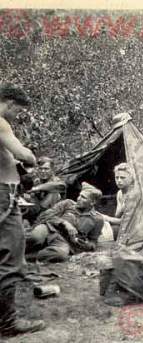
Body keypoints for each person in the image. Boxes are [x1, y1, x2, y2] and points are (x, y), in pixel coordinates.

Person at [0, 84, 46, 336]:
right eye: (18, 110)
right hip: (3, 194)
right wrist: (28, 155)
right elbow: (24, 155)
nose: (17, 115)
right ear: (8, 102)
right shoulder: (0, 122)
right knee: (11, 255)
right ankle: (8, 323)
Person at [25, 183, 104, 263]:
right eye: (79, 195)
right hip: (49, 228)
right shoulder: (67, 203)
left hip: (64, 241)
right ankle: (17, 251)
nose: (78, 198)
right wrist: (64, 222)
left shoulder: (98, 219)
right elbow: (45, 215)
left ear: (92, 202)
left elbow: (93, 241)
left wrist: (86, 244)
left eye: (83, 197)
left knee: (60, 255)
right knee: (36, 237)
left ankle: (27, 257)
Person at [23, 156, 66, 224]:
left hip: (53, 214)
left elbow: (61, 186)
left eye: (46, 169)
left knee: (54, 194)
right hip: (37, 211)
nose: (43, 171)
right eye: (41, 169)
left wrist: (36, 188)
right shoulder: (37, 181)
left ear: (52, 170)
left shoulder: (56, 181)